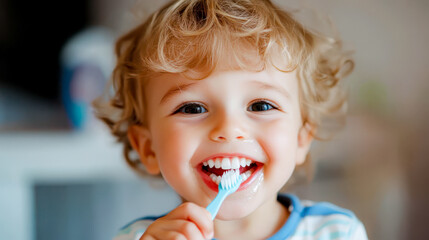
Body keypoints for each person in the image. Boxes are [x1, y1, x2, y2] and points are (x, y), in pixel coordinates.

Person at [93, 0, 368, 239]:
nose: (229, 129)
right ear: (148, 148)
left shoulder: (338, 233)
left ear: (301, 139)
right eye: (192, 109)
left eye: (261, 105)